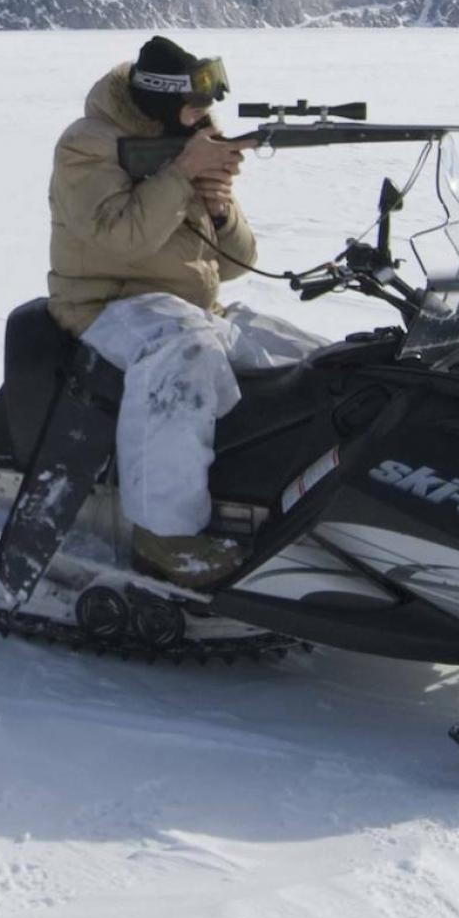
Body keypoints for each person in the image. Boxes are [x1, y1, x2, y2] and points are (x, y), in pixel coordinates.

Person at [47, 36, 322, 587]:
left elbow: (240, 262)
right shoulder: (88, 144)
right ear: (160, 100)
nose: (203, 118)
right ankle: (164, 535)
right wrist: (179, 176)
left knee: (310, 362)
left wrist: (218, 209)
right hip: (107, 302)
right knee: (183, 354)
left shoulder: (189, 140)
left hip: (191, 302)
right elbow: (119, 237)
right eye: (193, 108)